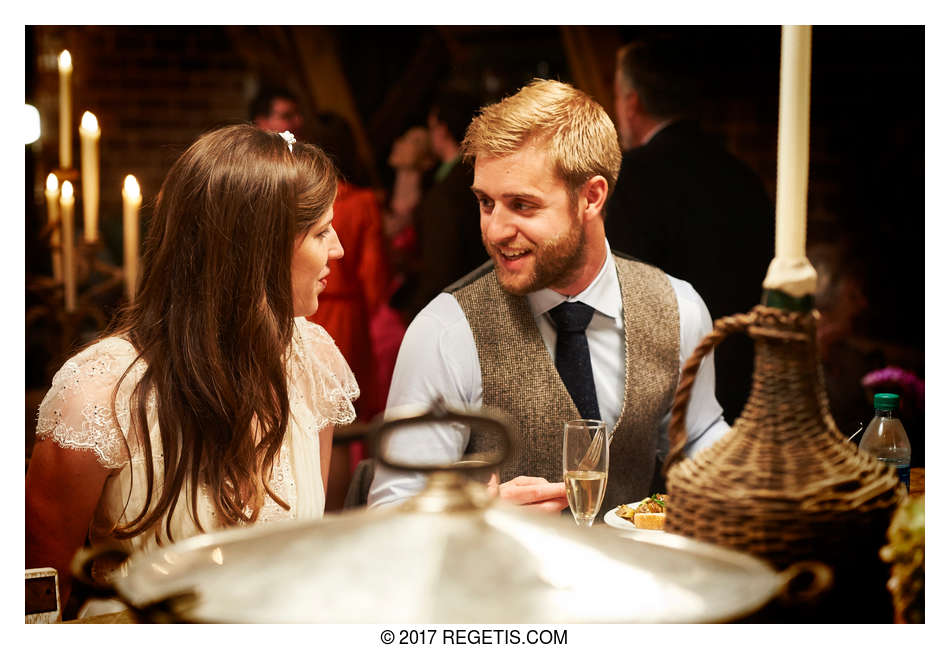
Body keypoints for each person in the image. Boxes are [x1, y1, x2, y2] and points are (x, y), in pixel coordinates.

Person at [25, 125, 358, 616]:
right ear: (256, 250)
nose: (339, 251)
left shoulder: (313, 362)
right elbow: (37, 595)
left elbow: (305, 554)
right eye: (321, 232)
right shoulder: (99, 392)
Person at [368, 79, 729, 514]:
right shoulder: (444, 330)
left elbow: (700, 442)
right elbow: (389, 515)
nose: (496, 230)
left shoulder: (679, 308)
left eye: (522, 205)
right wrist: (475, 517)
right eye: (486, 203)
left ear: (591, 197)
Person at [606, 39, 774, 424]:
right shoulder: (743, 174)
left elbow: (625, 290)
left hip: (673, 389)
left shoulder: (634, 176)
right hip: (746, 380)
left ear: (631, 103)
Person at [305, 112, 391, 508]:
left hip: (307, 307)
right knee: (340, 427)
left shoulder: (303, 202)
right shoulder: (362, 203)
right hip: (347, 316)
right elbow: (374, 275)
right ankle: (335, 516)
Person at [392, 88, 488, 322]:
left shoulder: (444, 193)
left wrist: (417, 311)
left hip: (471, 304)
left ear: (442, 130)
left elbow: (442, 268)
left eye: (431, 127)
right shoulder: (490, 168)